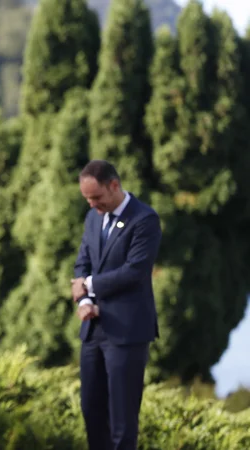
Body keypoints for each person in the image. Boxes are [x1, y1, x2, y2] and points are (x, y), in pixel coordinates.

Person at [71, 160, 162, 450]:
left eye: (96, 197)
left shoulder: (144, 219)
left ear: (114, 185)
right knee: (91, 411)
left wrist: (89, 285)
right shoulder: (93, 218)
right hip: (93, 330)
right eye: (87, 198)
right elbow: (82, 262)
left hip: (127, 333)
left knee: (122, 421)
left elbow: (135, 271)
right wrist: (84, 300)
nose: (92, 204)